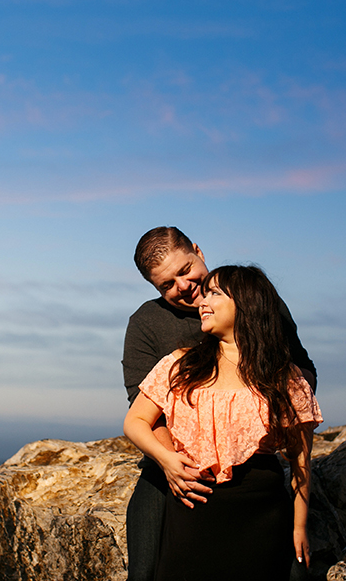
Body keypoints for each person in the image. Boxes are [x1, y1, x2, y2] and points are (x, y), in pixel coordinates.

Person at [122, 226, 317, 581]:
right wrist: (175, 463)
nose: (182, 286)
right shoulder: (147, 324)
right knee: (145, 570)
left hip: (252, 457)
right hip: (174, 457)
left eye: (184, 270)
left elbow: (301, 371)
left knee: (295, 567)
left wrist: (260, 419)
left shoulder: (252, 297)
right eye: (167, 285)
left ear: (198, 251)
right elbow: (144, 409)